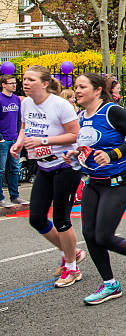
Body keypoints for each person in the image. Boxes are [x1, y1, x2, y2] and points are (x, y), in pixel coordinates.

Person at [64, 72, 126, 305]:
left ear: (97, 90)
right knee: (89, 235)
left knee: (104, 236)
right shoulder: (82, 116)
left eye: (82, 87)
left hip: (119, 181)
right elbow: (88, 145)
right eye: (76, 87)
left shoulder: (112, 111)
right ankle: (110, 284)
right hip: (93, 182)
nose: (77, 91)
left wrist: (112, 154)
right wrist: (76, 154)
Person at [9, 65, 87, 287]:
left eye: (31, 79)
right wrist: (19, 143)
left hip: (65, 165)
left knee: (62, 219)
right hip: (44, 167)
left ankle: (72, 268)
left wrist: (44, 141)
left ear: (44, 84)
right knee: (36, 218)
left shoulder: (60, 105)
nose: (25, 83)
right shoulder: (26, 103)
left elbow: (74, 135)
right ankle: (72, 252)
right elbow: (26, 127)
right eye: (24, 79)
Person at [0, 75, 26, 207]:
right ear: (3, 85)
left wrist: (18, 136)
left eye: (15, 83)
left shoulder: (16, 99)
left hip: (14, 138)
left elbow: (19, 119)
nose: (14, 85)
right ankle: (1, 198)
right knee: (1, 170)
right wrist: (1, 137)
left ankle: (15, 196)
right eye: (11, 83)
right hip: (3, 141)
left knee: (15, 169)